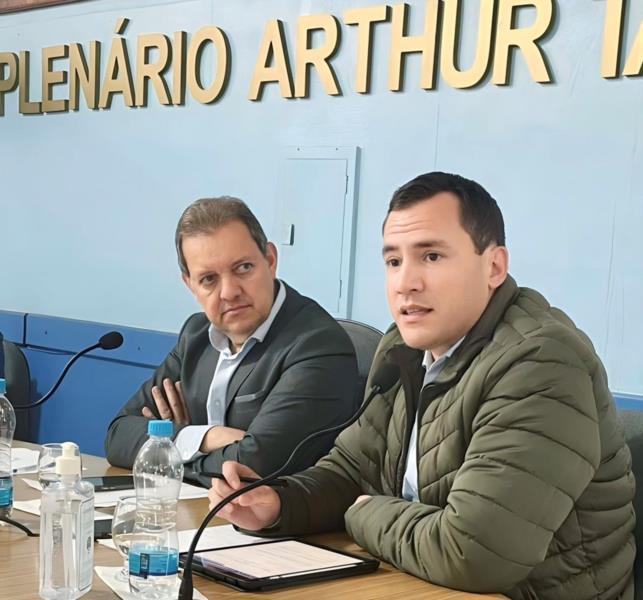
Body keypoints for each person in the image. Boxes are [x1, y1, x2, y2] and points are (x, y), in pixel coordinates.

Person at [208, 172, 636, 599]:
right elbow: (352, 470)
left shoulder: (541, 363)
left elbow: (473, 554)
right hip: (419, 582)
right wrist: (281, 504)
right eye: (393, 261)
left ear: (494, 266)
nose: (405, 282)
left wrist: (367, 515)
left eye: (431, 257)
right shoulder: (405, 348)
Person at [105, 197, 359, 485]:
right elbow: (118, 436)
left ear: (271, 260)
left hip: (277, 527)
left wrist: (165, 449)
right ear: (190, 285)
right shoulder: (196, 335)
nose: (229, 292)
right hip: (200, 515)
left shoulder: (317, 344)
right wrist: (204, 437)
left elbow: (255, 463)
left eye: (243, 268)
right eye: (209, 279)